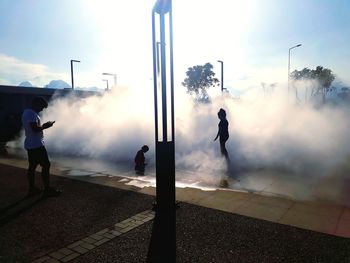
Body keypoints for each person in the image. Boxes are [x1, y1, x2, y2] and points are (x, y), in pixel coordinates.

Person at [21, 96, 61, 197]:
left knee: (32, 167)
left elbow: (33, 128)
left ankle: (32, 189)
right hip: (37, 145)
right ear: (36, 104)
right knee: (46, 165)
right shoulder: (30, 113)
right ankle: (47, 190)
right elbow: (34, 129)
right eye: (41, 107)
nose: (41, 109)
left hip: (31, 144)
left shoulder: (27, 112)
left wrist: (43, 126)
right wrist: (46, 126)